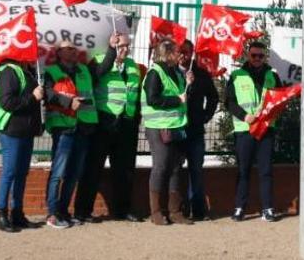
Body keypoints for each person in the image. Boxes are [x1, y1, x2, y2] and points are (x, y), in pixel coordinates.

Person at [75, 33, 142, 223]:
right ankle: (83, 210)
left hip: (126, 123)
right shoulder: (99, 61)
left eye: (127, 46)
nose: (125, 49)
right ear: (112, 45)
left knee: (125, 169)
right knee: (93, 167)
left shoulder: (132, 66)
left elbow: (136, 93)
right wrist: (111, 52)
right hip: (104, 120)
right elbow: (96, 76)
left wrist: (135, 118)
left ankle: (123, 209)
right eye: (121, 46)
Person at [43, 40, 103, 229]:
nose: (74, 51)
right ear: (59, 52)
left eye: (75, 48)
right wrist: (68, 103)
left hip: (82, 128)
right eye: (69, 49)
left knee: (73, 174)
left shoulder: (83, 70)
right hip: (63, 129)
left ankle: (63, 211)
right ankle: (52, 213)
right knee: (58, 173)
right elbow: (47, 94)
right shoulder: (51, 71)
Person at [0, 59, 51, 233]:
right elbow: (7, 102)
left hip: (26, 130)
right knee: (10, 171)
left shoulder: (29, 70)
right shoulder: (9, 70)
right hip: (12, 129)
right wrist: (33, 97)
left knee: (22, 173)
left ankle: (18, 213)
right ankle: (1, 214)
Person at [226, 41, 282, 222]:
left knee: (266, 170)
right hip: (245, 129)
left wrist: (272, 113)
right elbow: (229, 102)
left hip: (266, 128)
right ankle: (239, 207)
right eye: (254, 55)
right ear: (248, 56)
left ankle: (268, 208)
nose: (257, 59)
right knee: (243, 170)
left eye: (260, 55)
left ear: (265, 57)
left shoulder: (272, 75)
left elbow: (280, 99)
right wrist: (244, 116)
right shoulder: (236, 75)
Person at [142, 40, 194, 225]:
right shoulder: (155, 72)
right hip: (159, 126)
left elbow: (183, 96)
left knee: (175, 167)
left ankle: (175, 211)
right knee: (161, 166)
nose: (180, 55)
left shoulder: (176, 72)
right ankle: (156, 212)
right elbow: (152, 98)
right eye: (176, 52)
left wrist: (188, 83)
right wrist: (176, 100)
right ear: (167, 53)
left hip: (176, 125)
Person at [178, 39, 219, 221]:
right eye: (179, 51)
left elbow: (213, 97)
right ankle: (178, 209)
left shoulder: (201, 74)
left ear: (192, 52)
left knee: (196, 169)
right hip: (176, 129)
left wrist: (206, 116)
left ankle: (198, 210)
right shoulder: (170, 72)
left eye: (186, 51)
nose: (182, 55)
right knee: (175, 170)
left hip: (195, 129)